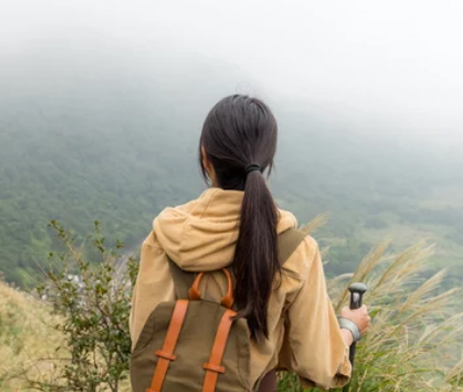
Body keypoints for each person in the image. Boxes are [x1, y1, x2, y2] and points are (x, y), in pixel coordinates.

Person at [129, 95, 371, 390]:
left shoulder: (163, 236)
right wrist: (349, 329)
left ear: (205, 158)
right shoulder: (294, 249)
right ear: (267, 162)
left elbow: (142, 333)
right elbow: (319, 365)